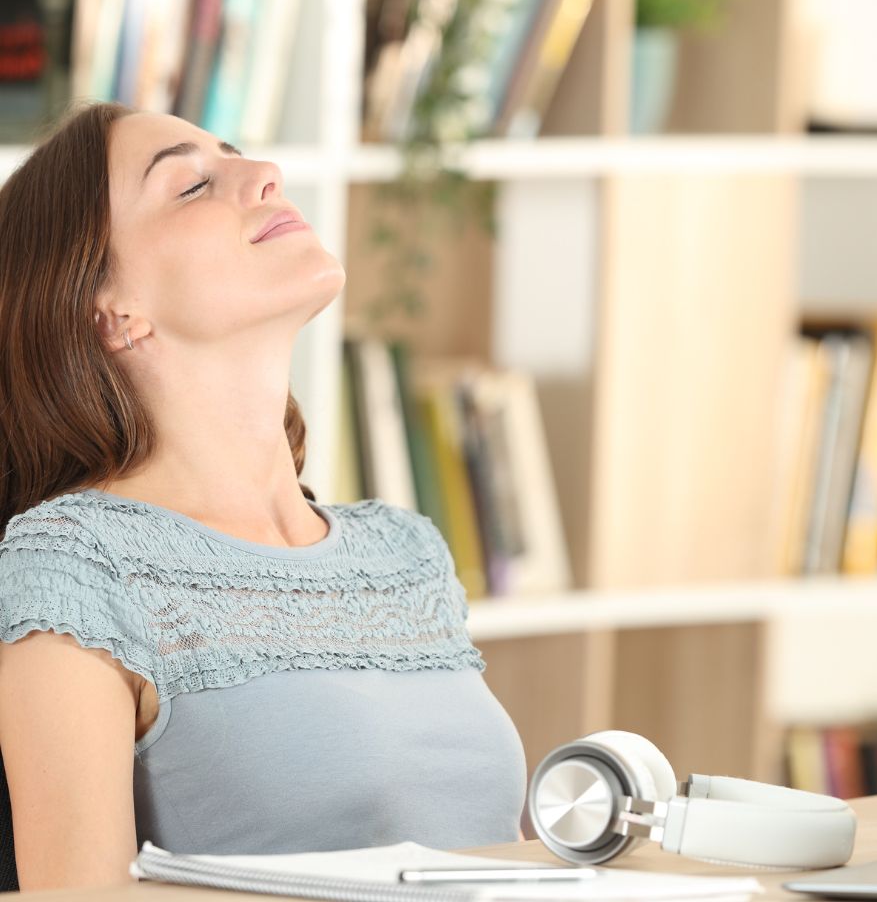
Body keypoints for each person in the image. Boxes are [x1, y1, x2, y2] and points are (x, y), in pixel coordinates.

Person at [0, 102, 527, 891]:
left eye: (241, 154)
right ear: (110, 311)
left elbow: (512, 860)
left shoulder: (406, 553)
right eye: (190, 185)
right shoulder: (75, 562)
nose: (264, 175)